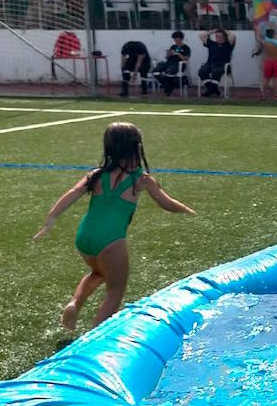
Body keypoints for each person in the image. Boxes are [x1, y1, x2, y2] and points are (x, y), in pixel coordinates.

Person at [33, 122, 195, 331]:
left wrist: (51, 217)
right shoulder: (141, 179)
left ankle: (74, 304)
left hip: (85, 237)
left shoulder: (97, 174)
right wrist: (187, 210)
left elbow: (72, 193)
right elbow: (166, 204)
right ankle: (94, 337)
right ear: (137, 148)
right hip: (110, 240)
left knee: (98, 272)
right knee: (115, 291)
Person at [254, 21, 277, 101]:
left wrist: (257, 31)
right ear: (274, 34)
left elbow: (258, 38)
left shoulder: (265, 42)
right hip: (276, 61)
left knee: (266, 79)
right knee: (276, 79)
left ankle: (263, 95)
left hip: (267, 62)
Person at [198, 28, 236, 97]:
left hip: (222, 65)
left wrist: (225, 31)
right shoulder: (212, 44)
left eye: (220, 36)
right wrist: (213, 31)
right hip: (210, 64)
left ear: (225, 37)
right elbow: (201, 36)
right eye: (217, 36)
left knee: (215, 72)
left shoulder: (228, 44)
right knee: (202, 71)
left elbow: (233, 37)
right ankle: (213, 90)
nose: (218, 38)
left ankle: (210, 90)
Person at [152, 31, 192, 95]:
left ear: (181, 39)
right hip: (169, 62)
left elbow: (186, 58)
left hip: (178, 64)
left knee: (169, 72)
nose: (175, 40)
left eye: (176, 39)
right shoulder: (173, 46)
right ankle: (167, 86)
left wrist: (178, 54)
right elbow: (167, 57)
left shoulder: (186, 48)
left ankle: (169, 89)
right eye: (174, 39)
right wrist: (168, 53)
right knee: (155, 71)